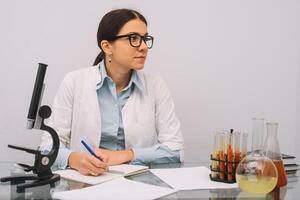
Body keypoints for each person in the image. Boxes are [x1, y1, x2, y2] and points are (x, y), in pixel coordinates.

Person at [40, 8, 184, 176]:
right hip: (86, 183)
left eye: (145, 39)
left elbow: (176, 150)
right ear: (107, 46)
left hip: (140, 185)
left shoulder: (156, 85)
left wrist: (124, 155)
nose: (144, 47)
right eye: (134, 38)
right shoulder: (74, 82)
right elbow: (47, 147)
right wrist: (74, 159)